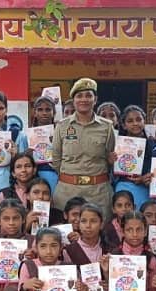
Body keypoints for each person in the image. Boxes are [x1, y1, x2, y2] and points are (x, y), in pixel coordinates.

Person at [51, 78, 117, 220]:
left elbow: (110, 157)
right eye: (79, 96)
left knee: (99, 229)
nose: (84, 99)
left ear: (95, 99)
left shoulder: (106, 126)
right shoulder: (62, 126)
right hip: (68, 190)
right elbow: (56, 159)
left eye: (88, 95)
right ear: (73, 100)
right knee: (65, 230)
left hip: (98, 191)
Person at [113, 105, 156, 207]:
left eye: (138, 119)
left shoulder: (154, 145)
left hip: (146, 190)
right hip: (124, 187)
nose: (135, 123)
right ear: (124, 125)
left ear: (144, 121)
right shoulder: (117, 145)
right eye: (130, 121)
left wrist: (146, 177)